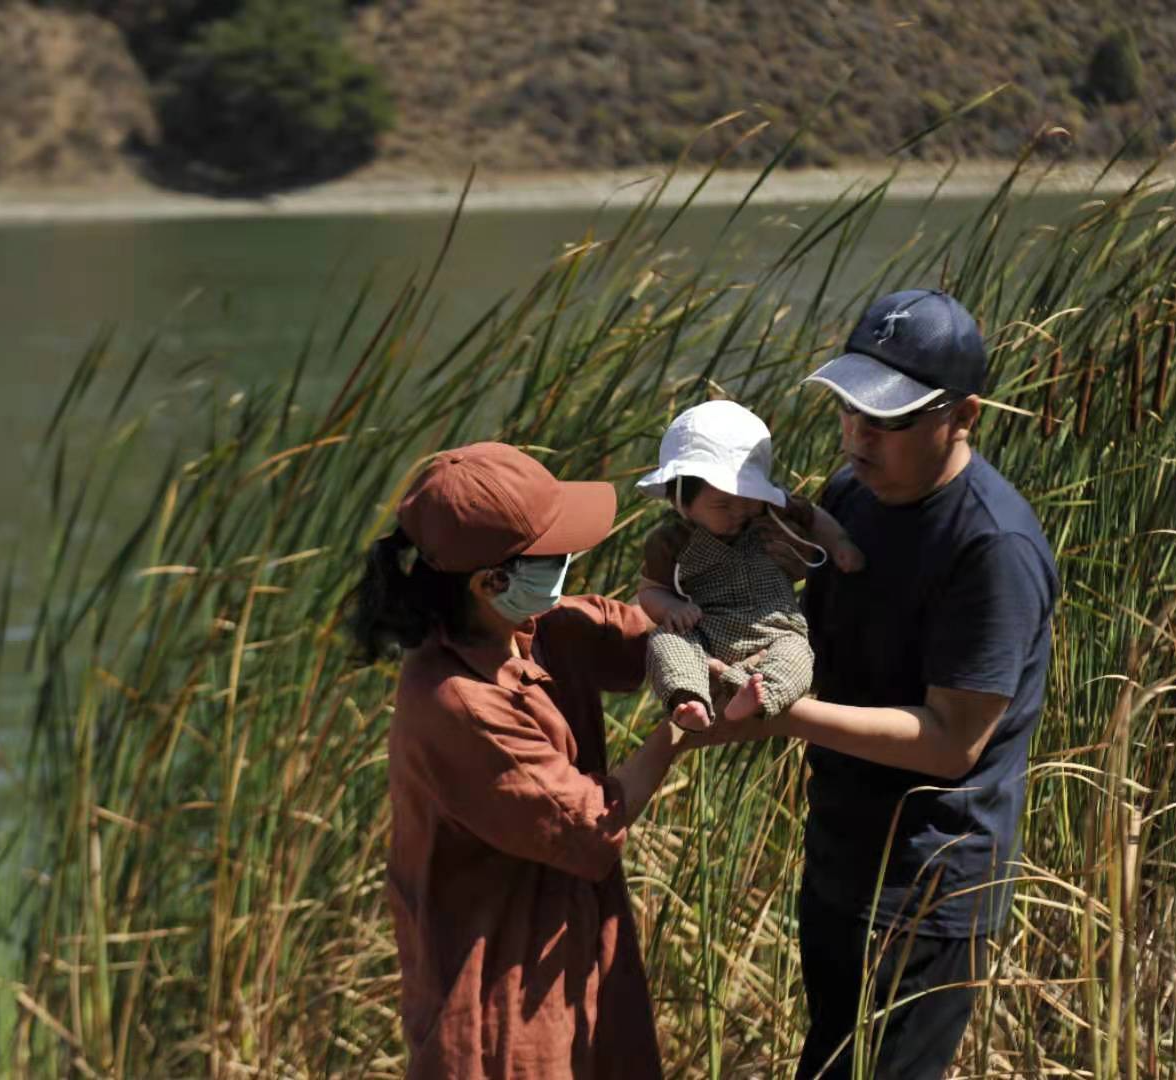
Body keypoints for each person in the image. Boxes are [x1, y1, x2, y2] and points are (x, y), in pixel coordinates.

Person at [712, 289, 1059, 1080]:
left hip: (928, 888)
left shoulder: (989, 548)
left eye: (889, 419)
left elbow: (948, 744)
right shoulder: (849, 498)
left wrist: (783, 717)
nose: (858, 437)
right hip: (840, 857)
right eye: (847, 408)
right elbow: (817, 640)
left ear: (963, 415)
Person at [354, 441, 685, 1079]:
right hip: (506, 1000)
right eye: (553, 555)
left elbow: (632, 638)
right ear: (490, 582)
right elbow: (591, 829)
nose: (568, 564)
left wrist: (718, 576)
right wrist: (681, 734)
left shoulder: (529, 625)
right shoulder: (457, 701)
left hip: (576, 958)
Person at [634, 399, 864, 730]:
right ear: (680, 500)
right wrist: (670, 607)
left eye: (747, 499)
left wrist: (839, 542)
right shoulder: (670, 541)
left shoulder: (774, 514)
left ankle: (757, 694)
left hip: (777, 630)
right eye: (723, 504)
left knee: (799, 655)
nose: (738, 511)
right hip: (708, 632)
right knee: (666, 643)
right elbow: (650, 591)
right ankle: (690, 700)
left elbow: (814, 517)